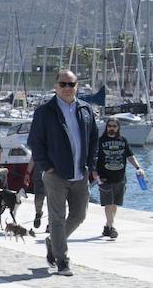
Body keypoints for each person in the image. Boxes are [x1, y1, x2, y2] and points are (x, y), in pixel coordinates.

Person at [28, 69, 98, 276]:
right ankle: (62, 260)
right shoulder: (45, 112)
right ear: (56, 86)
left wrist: (91, 164)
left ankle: (53, 241)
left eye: (72, 84)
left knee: (80, 215)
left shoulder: (86, 110)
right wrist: (46, 166)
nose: (68, 88)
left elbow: (94, 139)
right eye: (63, 84)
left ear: (77, 86)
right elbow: (35, 142)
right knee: (57, 218)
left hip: (80, 172)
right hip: (55, 174)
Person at [95, 116, 144, 239]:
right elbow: (93, 158)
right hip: (104, 177)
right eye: (109, 126)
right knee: (108, 203)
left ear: (118, 128)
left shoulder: (123, 141)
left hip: (120, 177)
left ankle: (107, 225)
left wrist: (138, 168)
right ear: (106, 127)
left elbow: (130, 156)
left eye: (114, 126)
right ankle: (112, 228)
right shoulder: (100, 141)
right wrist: (94, 172)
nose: (112, 128)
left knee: (115, 204)